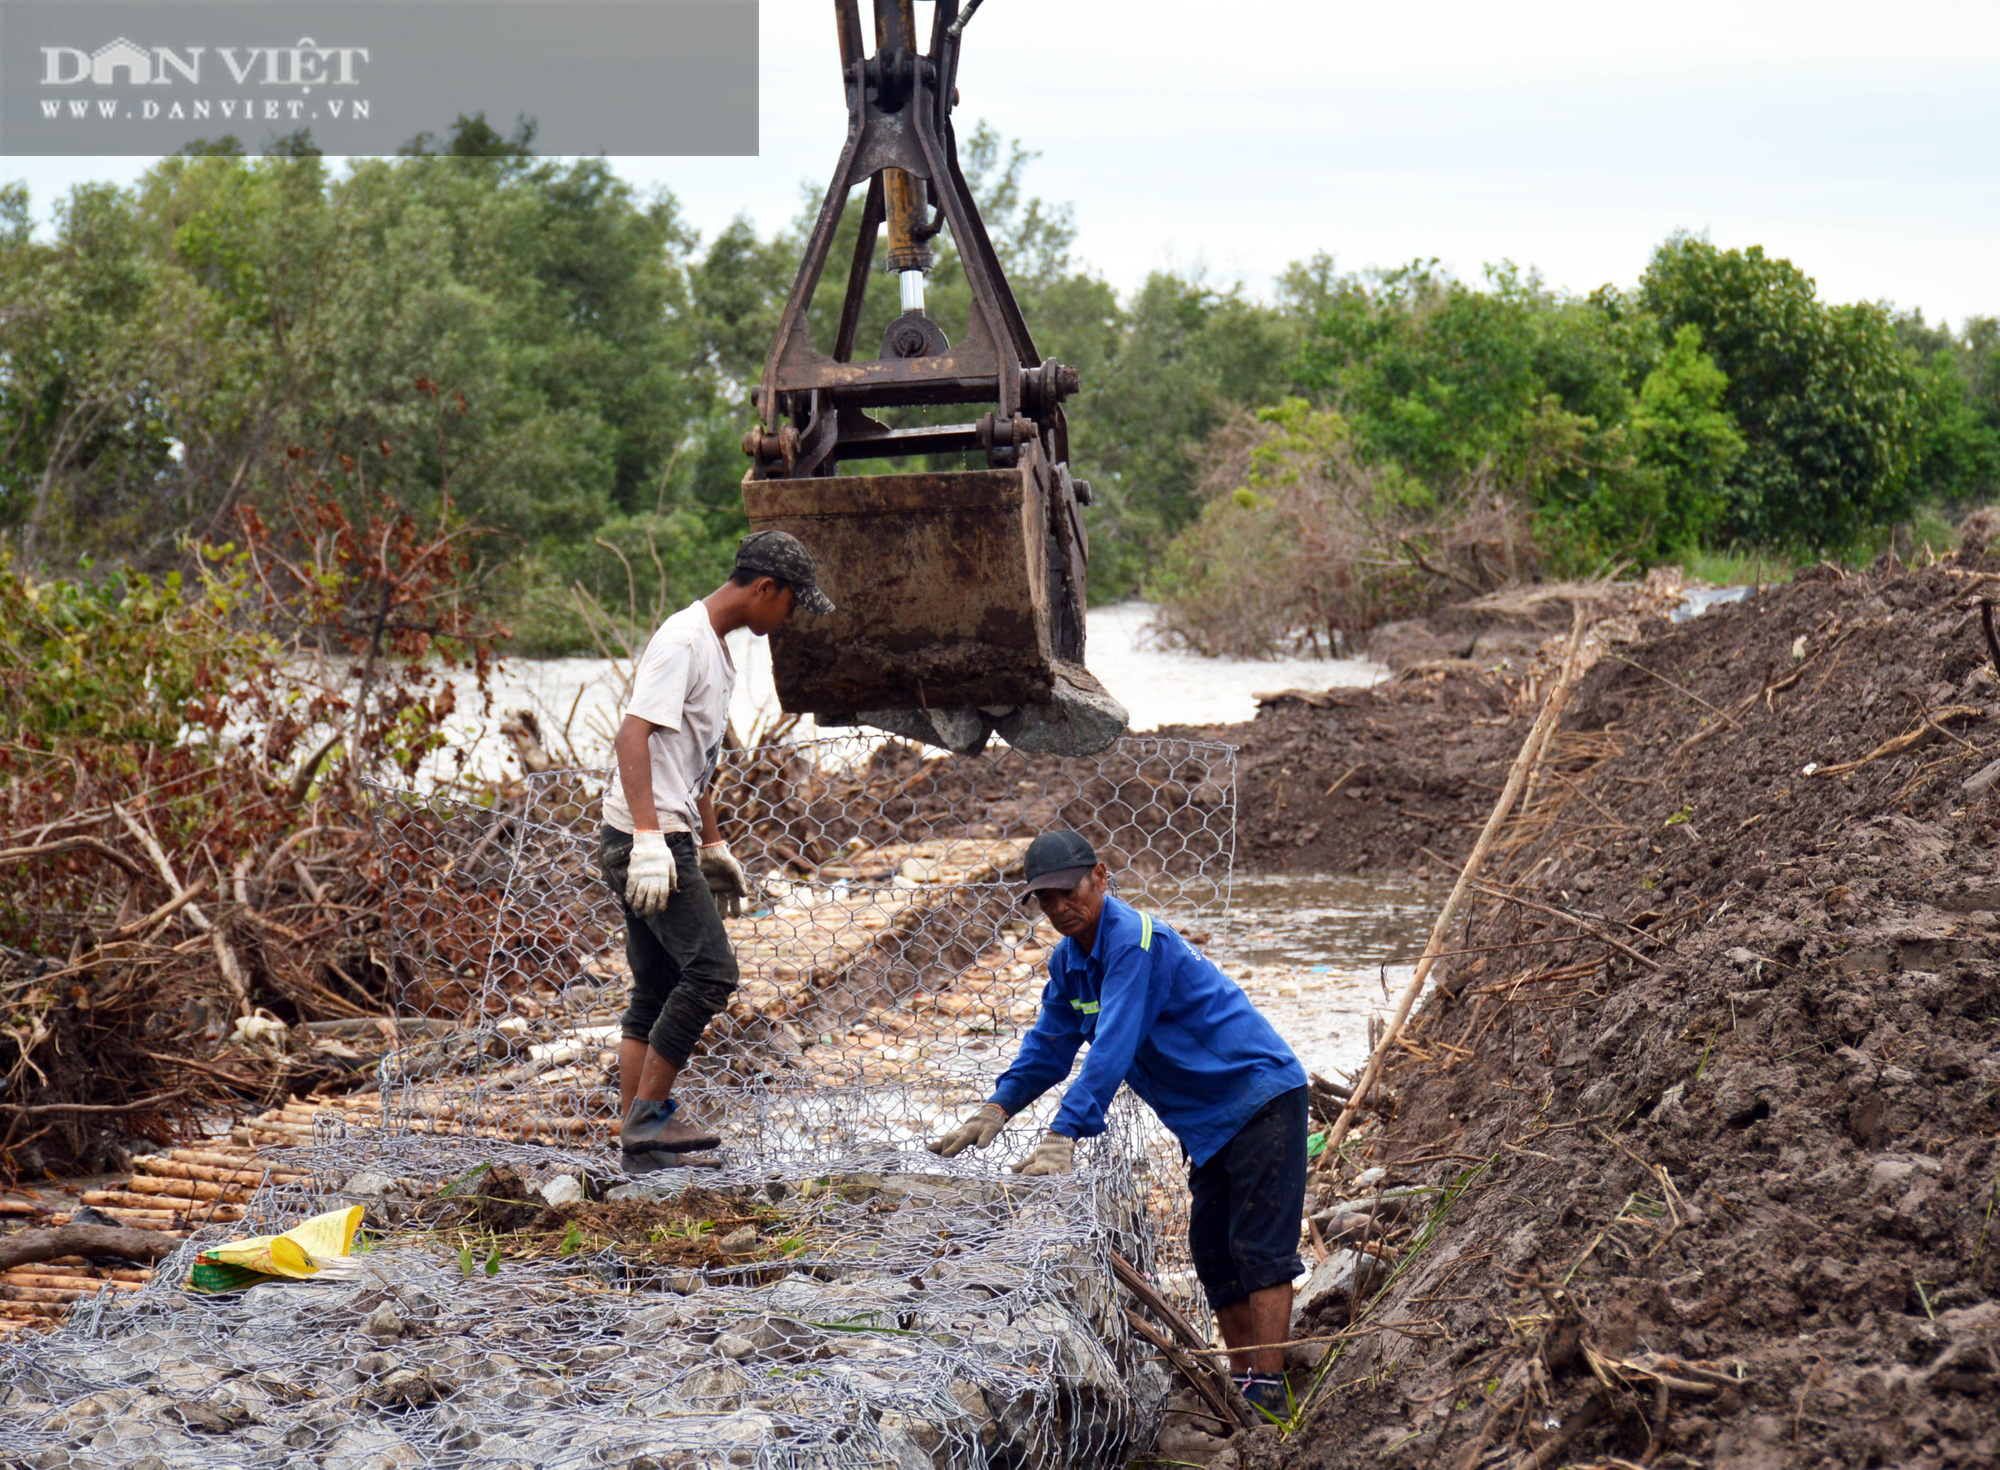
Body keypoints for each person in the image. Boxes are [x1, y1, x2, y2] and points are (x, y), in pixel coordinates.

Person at [929, 829, 1309, 1416]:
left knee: (1258, 1247)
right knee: (1213, 1252)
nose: (1059, 908)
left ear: (1100, 876)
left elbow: (1115, 1043)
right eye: (1045, 899)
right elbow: (1050, 1046)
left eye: (1067, 891)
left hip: (1258, 1096)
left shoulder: (1134, 942)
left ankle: (1271, 1388)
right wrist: (997, 1107)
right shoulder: (1070, 961)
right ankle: (1243, 1383)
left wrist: (1066, 1131)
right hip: (1208, 1121)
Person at [601, 529, 833, 1171]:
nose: (788, 618)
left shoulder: (716, 648)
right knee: (712, 973)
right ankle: (648, 1120)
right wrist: (651, 840)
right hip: (643, 839)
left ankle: (636, 1145)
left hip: (666, 831)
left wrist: (712, 840)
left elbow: (693, 758)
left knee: (654, 988)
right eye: (790, 603)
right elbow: (632, 738)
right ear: (765, 588)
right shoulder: (682, 642)